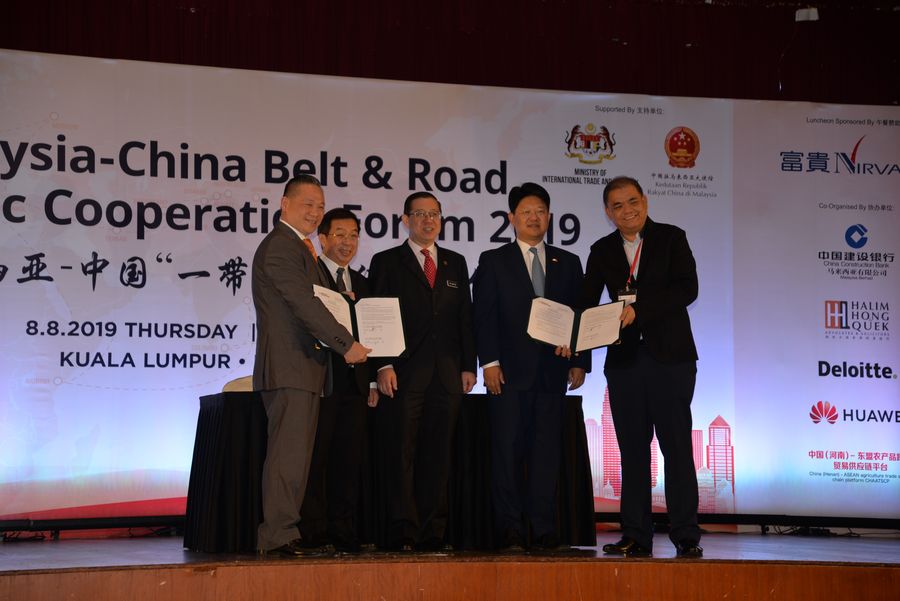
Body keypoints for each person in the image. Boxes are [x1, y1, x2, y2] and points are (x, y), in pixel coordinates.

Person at [579, 175, 702, 558]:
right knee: (632, 451)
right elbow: (586, 302)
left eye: (632, 201)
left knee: (676, 448)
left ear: (645, 202)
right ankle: (635, 534)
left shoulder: (671, 238)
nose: (627, 210)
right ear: (608, 212)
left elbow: (688, 289)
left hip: (671, 360)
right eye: (617, 206)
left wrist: (640, 310)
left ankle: (686, 536)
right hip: (625, 363)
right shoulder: (601, 250)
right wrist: (570, 336)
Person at [252, 175, 371, 557]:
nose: (315, 212)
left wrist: (344, 302)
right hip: (290, 368)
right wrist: (346, 344)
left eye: (320, 206)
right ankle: (277, 537)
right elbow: (304, 304)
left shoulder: (301, 248)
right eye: (308, 204)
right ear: (284, 204)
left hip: (305, 370)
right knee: (288, 457)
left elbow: (318, 298)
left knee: (297, 458)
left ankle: (285, 533)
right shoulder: (281, 247)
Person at [472, 182, 590, 551]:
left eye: (540, 211)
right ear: (512, 218)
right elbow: (483, 316)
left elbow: (580, 314)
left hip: (553, 374)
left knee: (546, 454)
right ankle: (510, 529)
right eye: (526, 212)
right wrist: (489, 363)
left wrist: (579, 360)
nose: (534, 217)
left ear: (549, 217)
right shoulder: (494, 260)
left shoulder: (568, 262)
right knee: (506, 454)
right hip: (507, 375)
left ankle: (543, 529)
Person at [368, 191, 477, 552]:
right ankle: (404, 531)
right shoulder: (386, 262)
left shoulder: (455, 262)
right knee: (402, 454)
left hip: (447, 375)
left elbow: (465, 318)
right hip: (403, 373)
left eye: (434, 214)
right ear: (405, 220)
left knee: (438, 455)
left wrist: (468, 365)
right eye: (420, 214)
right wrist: (382, 365)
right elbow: (375, 315)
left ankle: (433, 532)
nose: (428, 221)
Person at [297, 207, 380, 554]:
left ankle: (343, 531)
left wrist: (372, 381)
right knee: (317, 458)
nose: (348, 242)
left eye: (354, 235)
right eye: (340, 235)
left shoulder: (362, 283)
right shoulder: (310, 277)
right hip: (321, 381)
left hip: (356, 385)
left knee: (348, 460)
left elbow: (373, 334)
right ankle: (314, 532)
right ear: (323, 238)